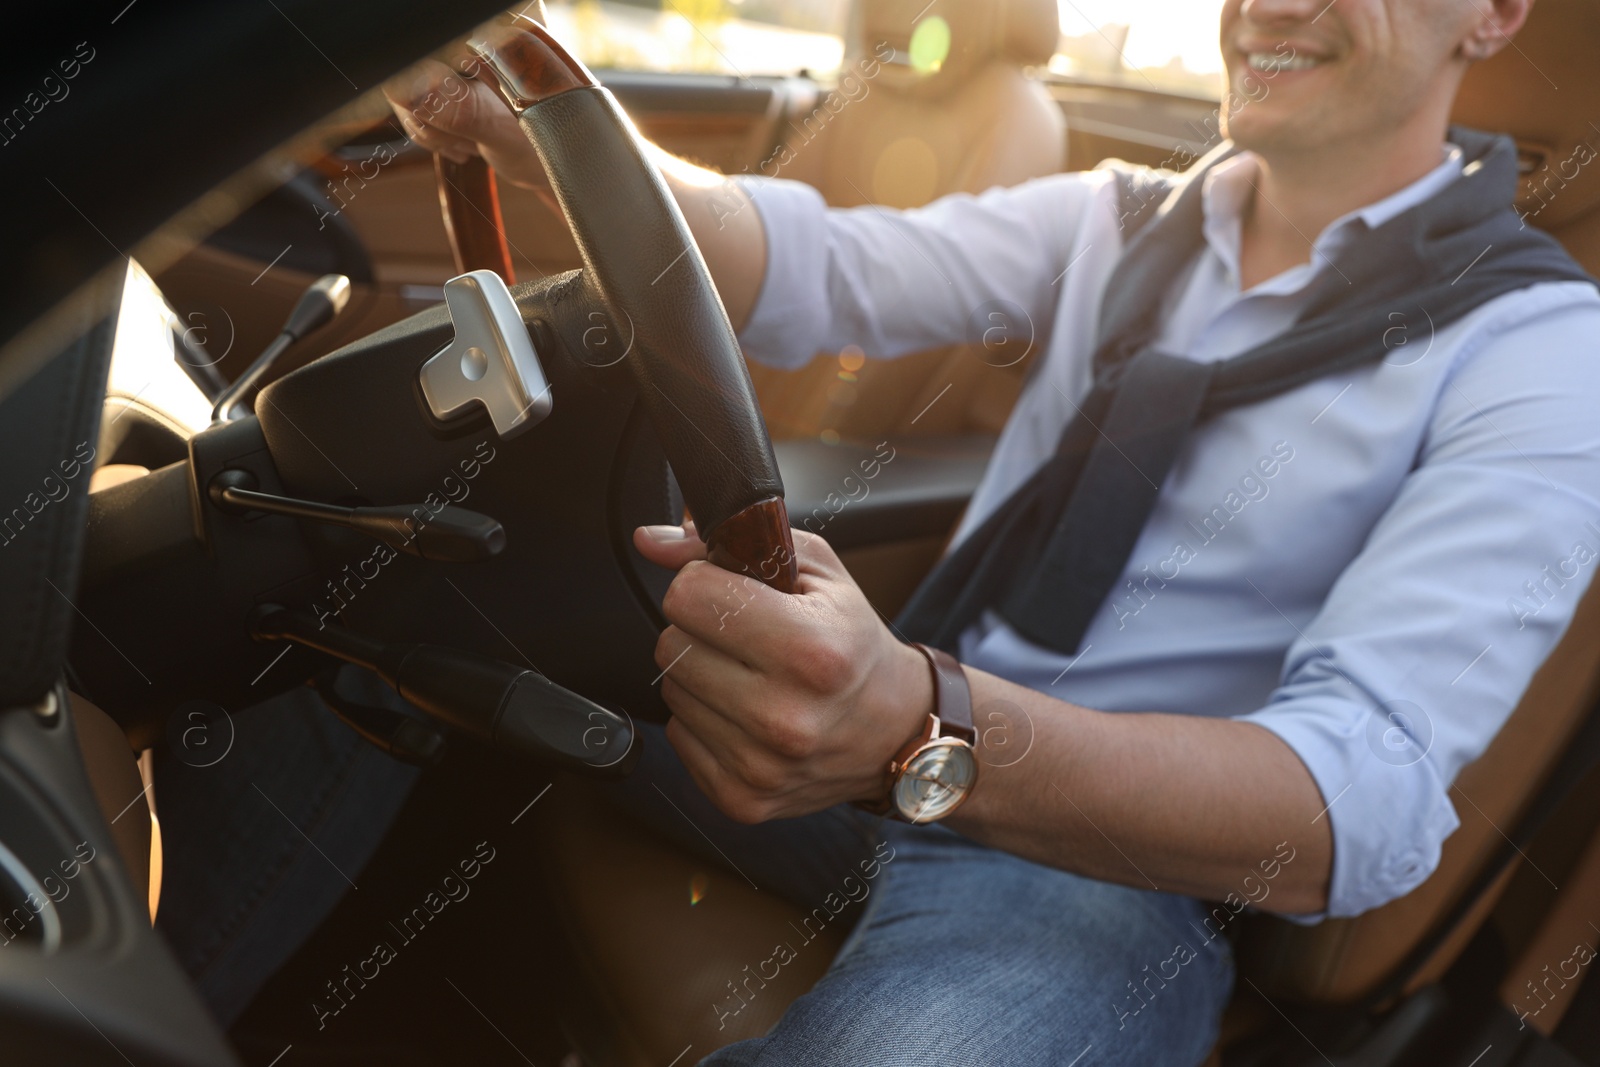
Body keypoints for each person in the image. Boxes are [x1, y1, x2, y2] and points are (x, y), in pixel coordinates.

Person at [386, 0, 1600, 1062]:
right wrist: (537, 119)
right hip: (865, 742)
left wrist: (926, 725)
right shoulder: (1117, 219)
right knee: (365, 600)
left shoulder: (1541, 349)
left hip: (1096, 874)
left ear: (1491, 12)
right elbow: (805, 263)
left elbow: (1361, 801)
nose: (1269, 5)